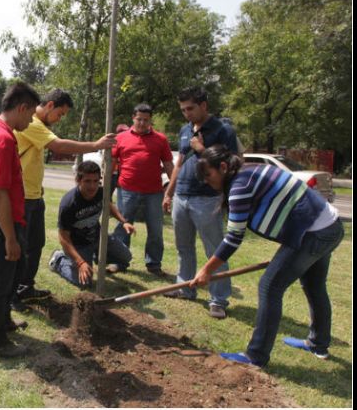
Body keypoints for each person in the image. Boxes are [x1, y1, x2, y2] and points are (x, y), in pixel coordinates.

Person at [189, 145, 344, 367]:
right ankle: (318, 344)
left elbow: (233, 238)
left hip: (314, 233)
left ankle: (256, 356)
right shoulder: (250, 171)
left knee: (270, 286)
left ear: (222, 167)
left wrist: (207, 270)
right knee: (314, 286)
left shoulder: (240, 186)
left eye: (208, 175)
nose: (206, 181)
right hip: (329, 226)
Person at [11, 88, 117, 312]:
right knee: (20, 247)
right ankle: (12, 295)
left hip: (34, 196)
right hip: (22, 198)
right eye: (60, 114)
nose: (59, 119)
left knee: (35, 244)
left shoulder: (37, 125)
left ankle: (25, 287)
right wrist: (96, 145)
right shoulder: (31, 123)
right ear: (50, 105)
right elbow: (59, 145)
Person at [162, 87, 242, 319]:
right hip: (182, 196)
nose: (187, 113)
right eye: (183, 110)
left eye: (190, 108)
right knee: (183, 247)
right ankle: (185, 288)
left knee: (215, 250)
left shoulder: (223, 130)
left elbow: (233, 164)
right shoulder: (185, 130)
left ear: (204, 105)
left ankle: (218, 300)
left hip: (208, 199)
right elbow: (179, 163)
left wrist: (202, 150)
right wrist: (169, 192)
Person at [0, 81, 40, 358]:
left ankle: (4, 321)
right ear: (22, 108)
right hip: (2, 222)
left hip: (0, 218)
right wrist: (10, 238)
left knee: (10, 276)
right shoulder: (1, 139)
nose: (32, 121)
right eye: (31, 114)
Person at [110, 103, 174, 276]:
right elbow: (111, 163)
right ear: (133, 118)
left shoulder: (160, 139)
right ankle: (119, 262)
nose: (142, 123)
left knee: (155, 230)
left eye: (146, 120)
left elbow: (169, 165)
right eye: (139, 119)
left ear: (150, 120)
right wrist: (106, 186)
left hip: (154, 192)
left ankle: (154, 264)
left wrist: (172, 190)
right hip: (127, 190)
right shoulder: (121, 138)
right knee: (122, 226)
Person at [48, 161, 133, 287]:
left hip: (98, 238)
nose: (92, 186)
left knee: (126, 257)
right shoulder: (69, 204)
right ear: (78, 180)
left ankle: (95, 256)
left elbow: (108, 205)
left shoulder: (100, 192)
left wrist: (123, 222)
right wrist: (81, 262)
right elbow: (63, 238)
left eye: (95, 181)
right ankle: (59, 260)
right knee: (84, 282)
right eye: (87, 181)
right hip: (78, 246)